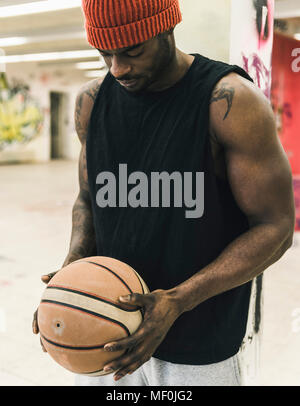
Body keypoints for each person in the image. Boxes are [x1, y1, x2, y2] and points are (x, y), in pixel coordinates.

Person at [32, 0, 295, 386]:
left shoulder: (229, 102)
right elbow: (89, 199)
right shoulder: (91, 103)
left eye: (133, 51)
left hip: (199, 344)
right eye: (105, 54)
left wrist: (177, 301)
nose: (118, 68)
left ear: (167, 28)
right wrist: (72, 269)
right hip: (107, 336)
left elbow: (275, 228)